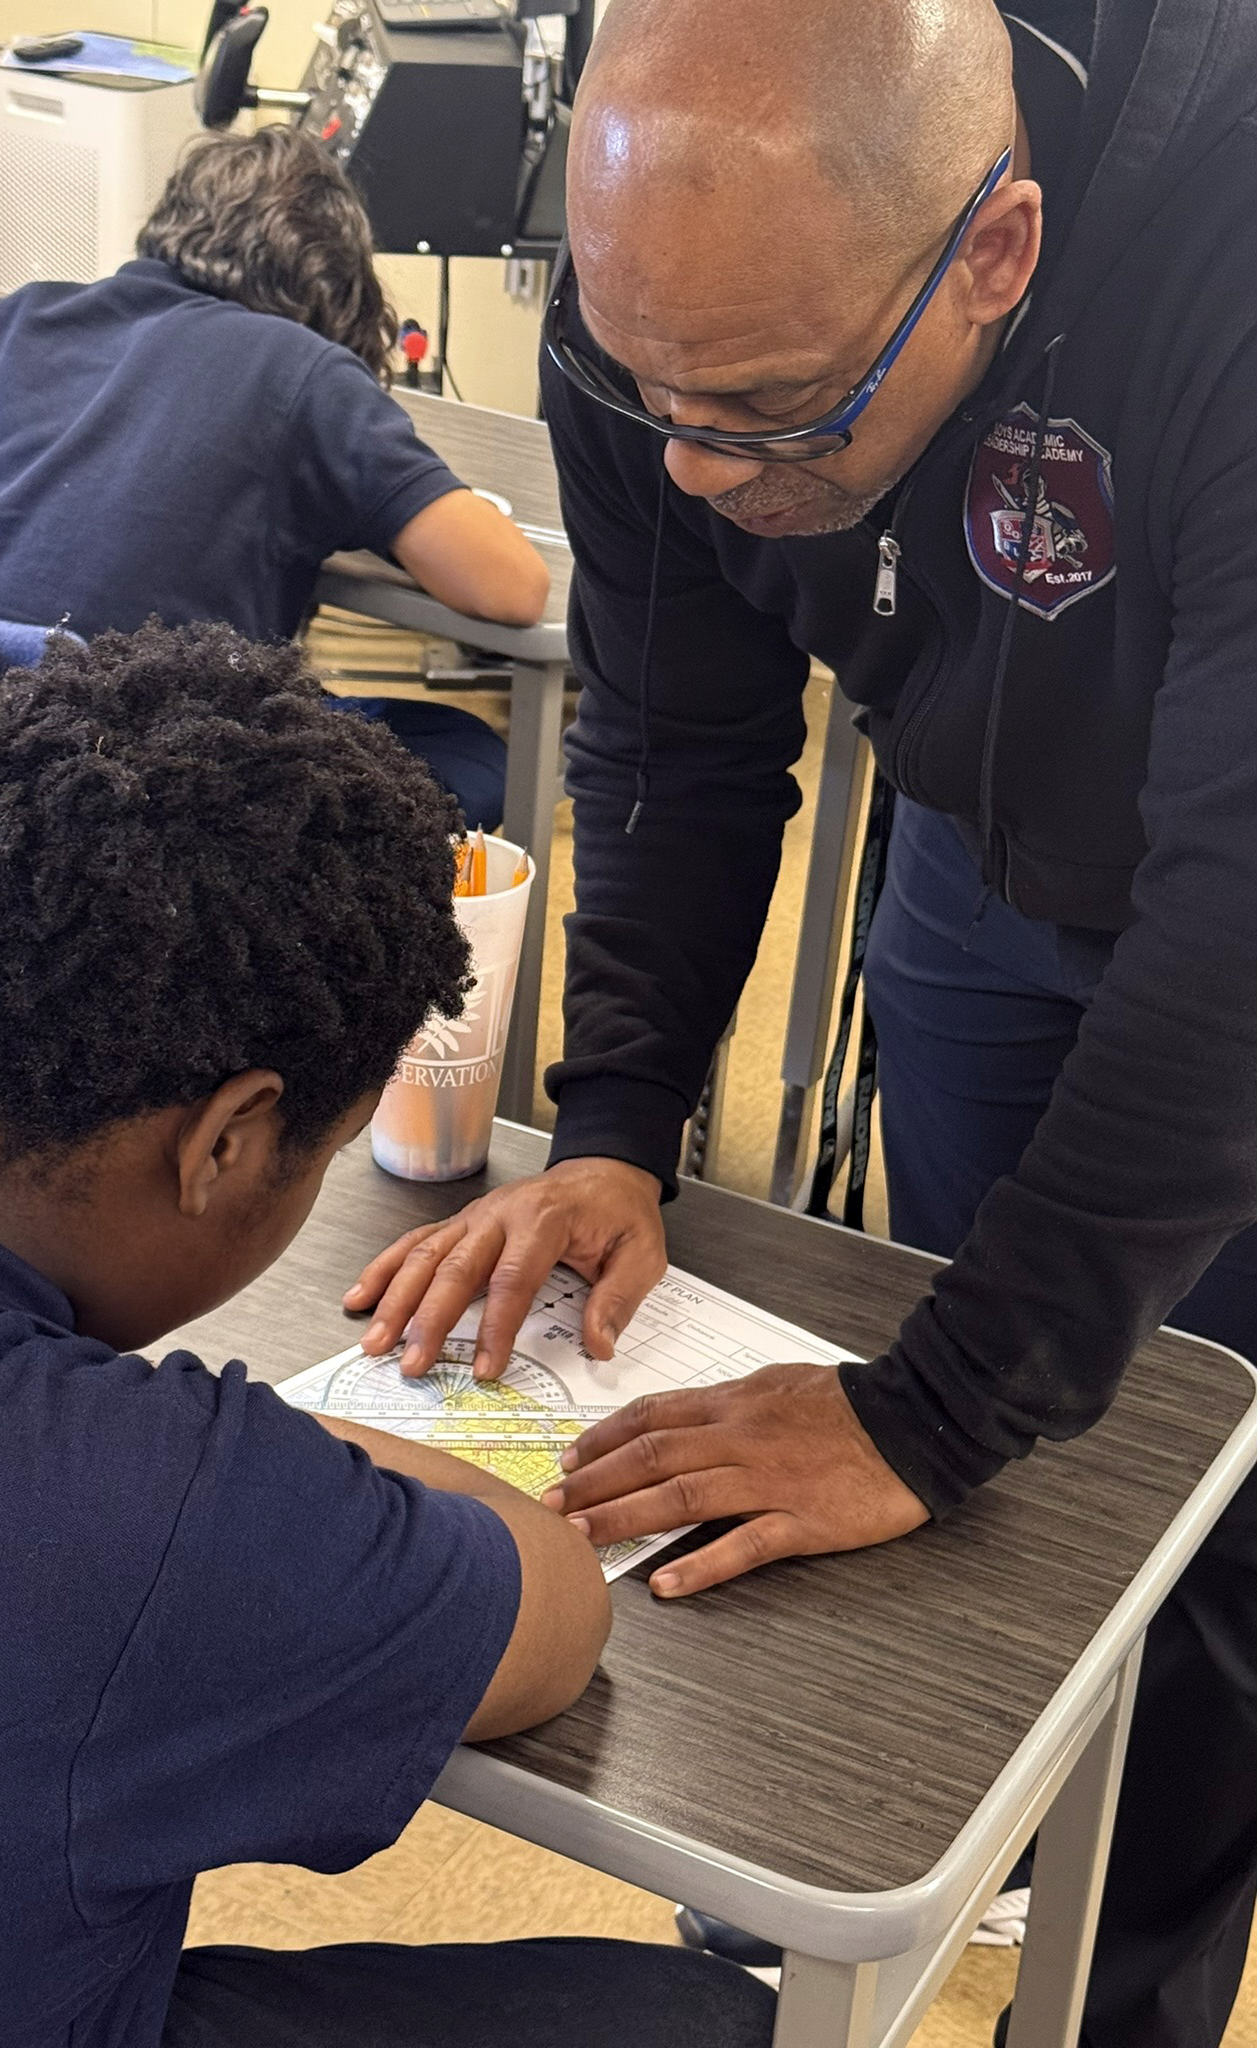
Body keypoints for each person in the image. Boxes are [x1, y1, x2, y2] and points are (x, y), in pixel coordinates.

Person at [345, 0, 1257, 2041]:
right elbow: (673, 724)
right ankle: (920, 1848)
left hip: (1226, 887)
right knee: (937, 1428)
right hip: (975, 854)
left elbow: (1237, 936)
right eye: (638, 383)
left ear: (995, 253)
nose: (685, 463)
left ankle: (1126, 1992)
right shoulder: (676, 288)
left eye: (763, 412)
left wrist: (938, 1409)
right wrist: (615, 1121)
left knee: (1197, 1505)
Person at [0, 619, 773, 2048]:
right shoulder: (146, 1504)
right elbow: (554, 1621)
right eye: (322, 1155)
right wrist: (263, 1450)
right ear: (228, 1139)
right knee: (699, 2019)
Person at [0, 126, 549, 828]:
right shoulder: (303, 372)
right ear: (329, 279)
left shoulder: (19, 312)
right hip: (137, 798)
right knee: (468, 751)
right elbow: (513, 588)